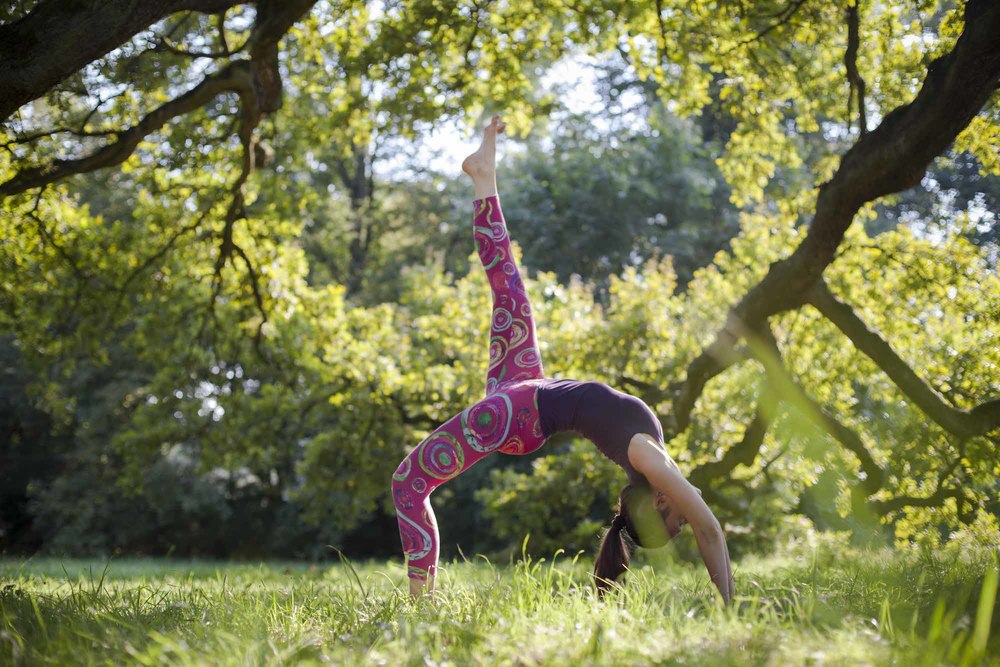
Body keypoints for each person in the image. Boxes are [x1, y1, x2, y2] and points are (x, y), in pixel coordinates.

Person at [391, 115, 734, 602]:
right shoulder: (653, 461)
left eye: (674, 517)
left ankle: (419, 606)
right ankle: (483, 175)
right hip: (528, 386)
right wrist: (731, 602)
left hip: (518, 416)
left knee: (408, 483)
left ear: (658, 500)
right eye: (679, 520)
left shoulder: (647, 460)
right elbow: (709, 527)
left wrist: (728, 605)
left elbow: (709, 530)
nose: (687, 509)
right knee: (508, 286)